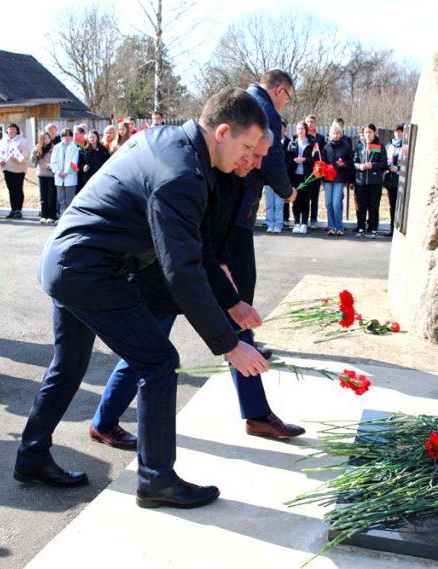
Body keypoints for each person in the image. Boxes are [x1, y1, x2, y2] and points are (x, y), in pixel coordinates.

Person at [15, 87, 269, 509]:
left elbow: (195, 244)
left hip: (67, 261)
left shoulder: (171, 143)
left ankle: (31, 455)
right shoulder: (182, 173)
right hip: (88, 270)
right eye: (247, 147)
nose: (249, 158)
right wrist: (228, 344)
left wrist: (231, 302)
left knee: (70, 365)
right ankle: (156, 481)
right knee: (158, 362)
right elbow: (182, 271)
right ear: (223, 132)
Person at [91, 129, 305, 451]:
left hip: (208, 268)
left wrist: (226, 270)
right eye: (252, 152)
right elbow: (191, 244)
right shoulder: (201, 174)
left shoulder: (239, 175)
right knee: (147, 354)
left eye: (262, 156)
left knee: (240, 332)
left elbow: (222, 234)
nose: (256, 162)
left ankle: (257, 414)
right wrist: (221, 277)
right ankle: (104, 422)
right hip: (165, 275)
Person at [237, 70, 297, 361]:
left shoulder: (242, 99)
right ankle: (239, 340)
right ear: (280, 90)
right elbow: (272, 160)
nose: (285, 104)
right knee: (243, 277)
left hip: (227, 198)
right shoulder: (266, 111)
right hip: (240, 203)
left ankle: (236, 337)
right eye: (288, 98)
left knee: (232, 273)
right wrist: (288, 191)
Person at [353, 123, 387, 239]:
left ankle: (373, 229)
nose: (368, 135)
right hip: (361, 182)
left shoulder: (380, 147)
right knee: (361, 207)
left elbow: (384, 164)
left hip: (375, 182)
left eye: (370, 132)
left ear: (374, 133)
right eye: (366, 132)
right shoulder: (359, 147)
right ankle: (361, 228)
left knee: (374, 206)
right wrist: (360, 166)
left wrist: (372, 165)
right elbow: (354, 162)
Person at [321, 123, 354, 236]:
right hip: (327, 179)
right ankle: (331, 227)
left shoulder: (346, 147)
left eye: (338, 133)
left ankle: (339, 227)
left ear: (341, 134)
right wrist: (323, 168)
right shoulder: (326, 147)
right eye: (333, 133)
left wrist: (343, 164)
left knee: (336, 204)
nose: (335, 135)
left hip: (339, 179)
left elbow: (351, 162)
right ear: (330, 134)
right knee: (328, 203)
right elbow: (322, 162)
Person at [0, 123, 31, 219]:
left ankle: (18, 210)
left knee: (18, 189)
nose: (11, 131)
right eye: (9, 129)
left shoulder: (23, 141)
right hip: (7, 168)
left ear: (17, 131)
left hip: (19, 170)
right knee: (11, 190)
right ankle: (13, 209)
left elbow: (27, 156)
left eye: (13, 129)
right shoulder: (2, 141)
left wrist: (17, 159)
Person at [286, 121, 316, 234]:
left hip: (307, 176)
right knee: (296, 200)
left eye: (302, 129)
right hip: (295, 176)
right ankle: (297, 223)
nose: (300, 131)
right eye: (298, 128)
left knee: (305, 200)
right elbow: (288, 159)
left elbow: (315, 160)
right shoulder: (292, 143)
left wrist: (304, 160)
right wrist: (294, 160)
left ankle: (304, 223)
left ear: (306, 130)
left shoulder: (312, 143)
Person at [262, 120, 290, 234]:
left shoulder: (287, 143)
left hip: (279, 178)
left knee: (279, 204)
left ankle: (278, 224)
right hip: (269, 179)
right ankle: (270, 224)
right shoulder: (269, 141)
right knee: (269, 204)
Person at [49, 128, 79, 217]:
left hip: (70, 177)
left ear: (71, 137)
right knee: (61, 200)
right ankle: (62, 217)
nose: (66, 137)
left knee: (69, 200)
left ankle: (69, 218)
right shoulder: (56, 147)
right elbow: (53, 161)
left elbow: (74, 162)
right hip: (59, 177)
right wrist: (58, 172)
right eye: (64, 135)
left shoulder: (74, 147)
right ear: (61, 137)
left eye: (68, 135)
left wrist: (65, 173)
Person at [304, 115, 325, 229]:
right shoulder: (303, 136)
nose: (310, 124)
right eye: (308, 122)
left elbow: (322, 154)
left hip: (317, 171)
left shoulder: (320, 138)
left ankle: (313, 220)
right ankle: (304, 220)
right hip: (305, 170)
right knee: (305, 197)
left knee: (314, 197)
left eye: (312, 122)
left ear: (315, 123)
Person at [385, 123, 405, 236]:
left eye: (400, 131)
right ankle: (392, 229)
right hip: (391, 180)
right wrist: (389, 167)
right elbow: (385, 160)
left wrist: (398, 168)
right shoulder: (390, 146)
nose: (397, 134)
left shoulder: (406, 145)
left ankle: (400, 228)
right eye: (396, 131)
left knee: (401, 206)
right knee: (392, 206)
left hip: (401, 179)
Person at [32, 131, 56, 224]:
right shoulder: (38, 148)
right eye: (44, 138)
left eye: (48, 138)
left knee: (51, 197)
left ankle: (51, 216)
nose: (47, 140)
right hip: (41, 174)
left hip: (51, 175)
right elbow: (33, 161)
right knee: (43, 197)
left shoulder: (54, 148)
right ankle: (44, 216)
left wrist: (50, 166)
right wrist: (35, 151)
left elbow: (57, 161)